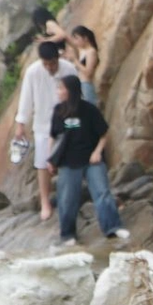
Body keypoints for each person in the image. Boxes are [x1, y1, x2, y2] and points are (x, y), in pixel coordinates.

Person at [48, 75, 130, 246]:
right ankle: (68, 234)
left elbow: (104, 133)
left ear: (71, 91)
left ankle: (112, 227)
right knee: (67, 199)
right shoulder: (58, 111)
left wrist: (97, 152)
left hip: (92, 160)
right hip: (68, 162)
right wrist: (50, 159)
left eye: (61, 88)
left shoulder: (89, 110)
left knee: (102, 193)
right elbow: (53, 137)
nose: (58, 92)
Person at [13, 41, 81, 221]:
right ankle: (45, 201)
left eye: (52, 63)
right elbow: (26, 99)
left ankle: (67, 198)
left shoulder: (69, 69)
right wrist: (20, 124)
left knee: (68, 160)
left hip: (67, 122)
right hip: (43, 124)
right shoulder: (33, 72)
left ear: (58, 57)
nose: (50, 67)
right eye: (46, 64)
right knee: (43, 164)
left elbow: (77, 95)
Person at [68, 26, 102, 104]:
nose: (75, 41)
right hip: (80, 85)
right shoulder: (82, 51)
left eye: (77, 38)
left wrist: (75, 61)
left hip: (86, 84)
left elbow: (89, 72)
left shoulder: (91, 51)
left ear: (85, 38)